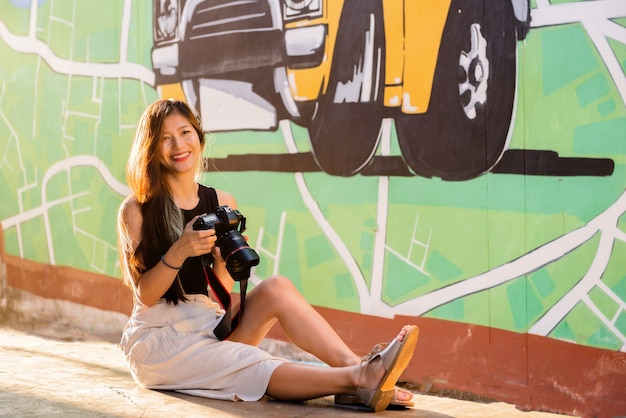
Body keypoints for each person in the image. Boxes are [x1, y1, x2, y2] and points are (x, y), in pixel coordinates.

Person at [117, 98, 419, 412]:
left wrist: (223, 263)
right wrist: (180, 249)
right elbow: (146, 296)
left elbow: (219, 295)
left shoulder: (220, 201)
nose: (178, 144)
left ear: (199, 137)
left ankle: (358, 371)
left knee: (277, 288)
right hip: (161, 341)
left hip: (206, 324)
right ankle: (357, 378)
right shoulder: (138, 209)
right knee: (250, 363)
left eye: (185, 132)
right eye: (166, 138)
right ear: (151, 148)